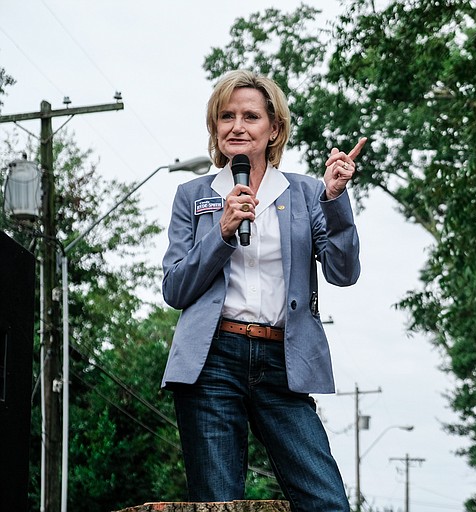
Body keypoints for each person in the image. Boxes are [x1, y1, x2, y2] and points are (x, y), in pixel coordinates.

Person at [160, 69, 366, 511]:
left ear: (274, 129)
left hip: (283, 362)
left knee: (326, 500)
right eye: (226, 116)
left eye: (250, 116)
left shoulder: (308, 193)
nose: (237, 126)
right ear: (215, 127)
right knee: (218, 504)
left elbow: (343, 272)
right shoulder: (192, 195)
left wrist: (335, 200)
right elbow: (175, 288)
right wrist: (222, 232)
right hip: (211, 361)